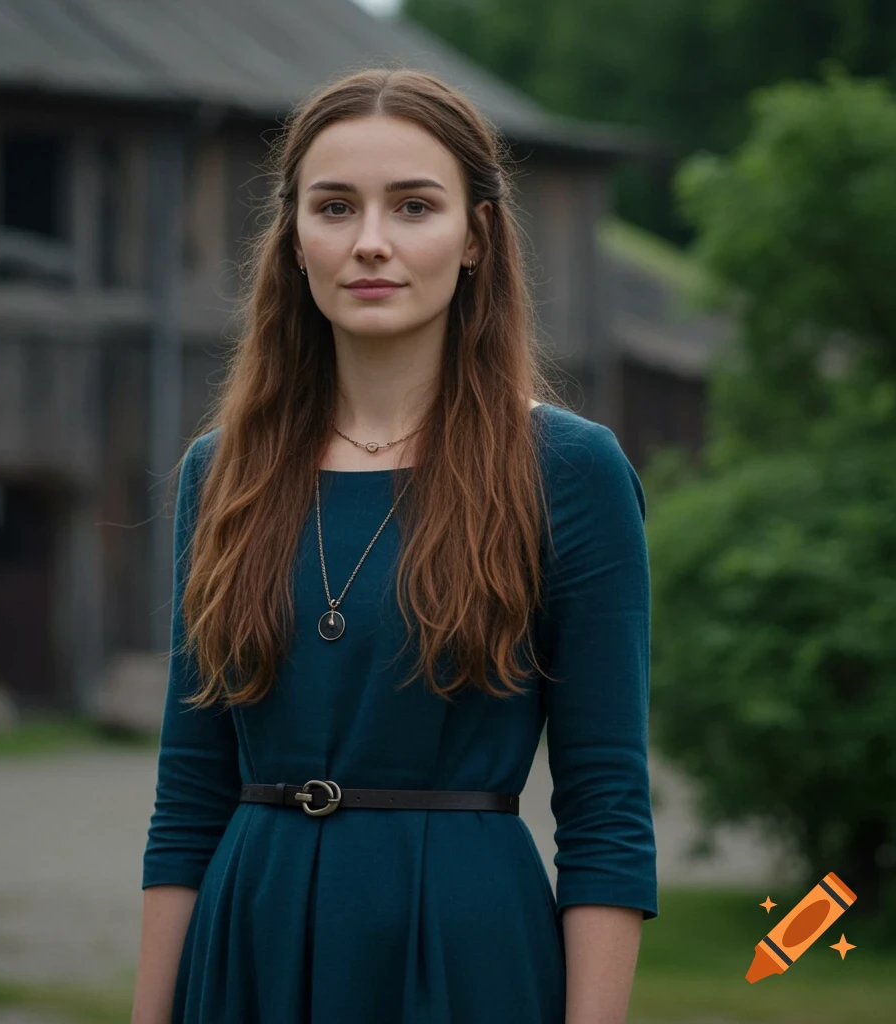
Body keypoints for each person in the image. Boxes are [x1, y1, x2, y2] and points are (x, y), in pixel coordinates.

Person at [131, 66, 657, 1024]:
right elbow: (188, 793)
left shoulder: (568, 468)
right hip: (247, 946)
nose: (370, 242)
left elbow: (607, 807)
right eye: (335, 207)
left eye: (413, 206)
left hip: (462, 952)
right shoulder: (225, 470)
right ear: (293, 239)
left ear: (475, 239)